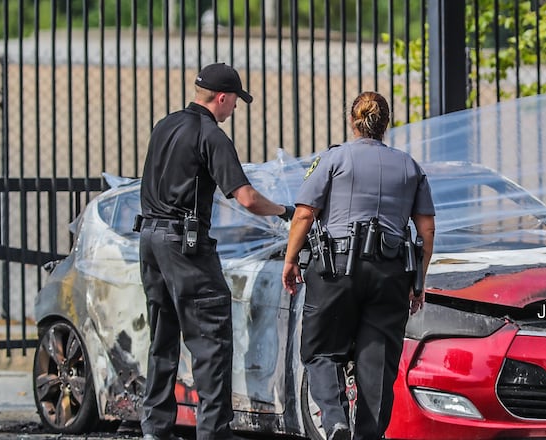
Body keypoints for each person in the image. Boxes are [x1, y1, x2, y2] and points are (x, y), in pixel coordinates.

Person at [137, 62, 294, 440]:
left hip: (150, 240)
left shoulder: (165, 125)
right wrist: (286, 211)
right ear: (221, 98)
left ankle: (154, 429)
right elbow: (247, 197)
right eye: (235, 101)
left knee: (163, 338)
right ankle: (214, 432)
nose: (235, 109)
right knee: (211, 341)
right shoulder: (211, 135)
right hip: (184, 247)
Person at [282, 91, 435, 440]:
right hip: (391, 274)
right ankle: (368, 434)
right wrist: (419, 281)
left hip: (336, 270)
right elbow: (426, 229)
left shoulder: (334, 159)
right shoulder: (410, 166)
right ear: (386, 125)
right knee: (377, 363)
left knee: (321, 350)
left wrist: (291, 261)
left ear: (353, 122)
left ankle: (335, 420)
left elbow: (305, 212)